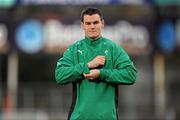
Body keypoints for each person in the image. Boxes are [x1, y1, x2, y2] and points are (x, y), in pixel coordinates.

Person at [55, 7, 137, 120]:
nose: (92, 26)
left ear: (102, 23)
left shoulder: (113, 48)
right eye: (88, 23)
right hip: (79, 117)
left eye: (95, 22)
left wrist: (101, 73)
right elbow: (59, 75)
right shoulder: (74, 49)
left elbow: (131, 74)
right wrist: (87, 66)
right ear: (82, 25)